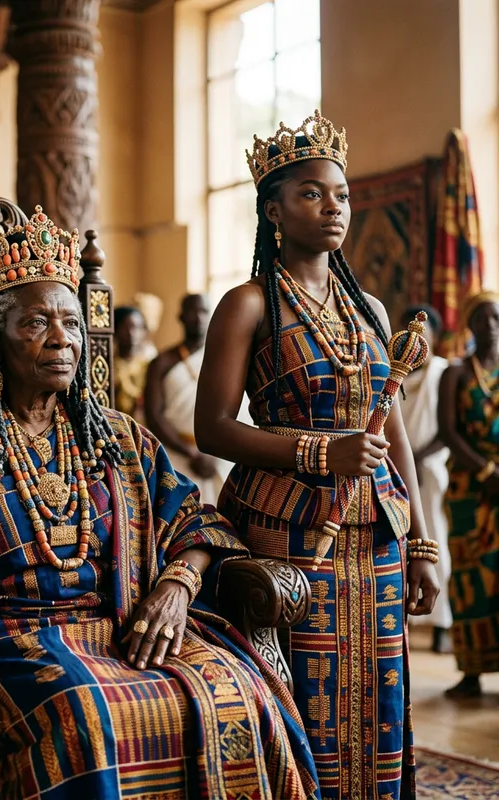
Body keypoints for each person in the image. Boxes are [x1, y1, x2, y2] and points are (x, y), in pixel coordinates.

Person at [0, 207, 320, 799]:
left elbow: (199, 523)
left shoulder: (114, 436)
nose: (61, 339)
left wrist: (176, 587)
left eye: (71, 323)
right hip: (7, 638)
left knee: (240, 692)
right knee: (85, 721)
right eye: (36, 323)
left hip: (121, 626)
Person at [194, 111, 439, 800]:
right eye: (311, 193)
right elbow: (211, 427)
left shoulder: (371, 312)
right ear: (273, 209)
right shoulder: (247, 305)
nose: (333, 207)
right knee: (303, 696)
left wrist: (421, 543)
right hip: (290, 526)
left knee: (383, 694)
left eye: (341, 194)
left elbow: (390, 436)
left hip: (377, 533)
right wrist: (317, 452)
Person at [438, 290, 499, 697]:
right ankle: (472, 670)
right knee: (469, 577)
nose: (491, 327)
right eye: (483, 319)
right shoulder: (457, 373)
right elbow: (448, 431)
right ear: (470, 326)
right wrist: (486, 469)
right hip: (468, 488)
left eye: (497, 319)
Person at [399, 305, 453, 653]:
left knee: (435, 544)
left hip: (431, 468)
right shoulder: (397, 376)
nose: (417, 338)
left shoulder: (441, 372)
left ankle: (442, 625)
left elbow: (448, 428)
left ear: (434, 336)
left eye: (424, 331)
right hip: (399, 469)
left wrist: (418, 458)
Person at [145, 293, 231, 504]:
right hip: (177, 455)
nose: (198, 317)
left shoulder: (225, 359)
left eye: (203, 311)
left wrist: (215, 453)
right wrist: (191, 453)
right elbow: (154, 416)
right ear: (181, 317)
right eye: (192, 311)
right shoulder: (162, 363)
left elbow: (237, 412)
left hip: (220, 457)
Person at [113, 305, 155, 420]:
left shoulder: (149, 365)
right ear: (115, 329)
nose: (132, 333)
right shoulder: (109, 365)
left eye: (137, 328)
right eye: (126, 327)